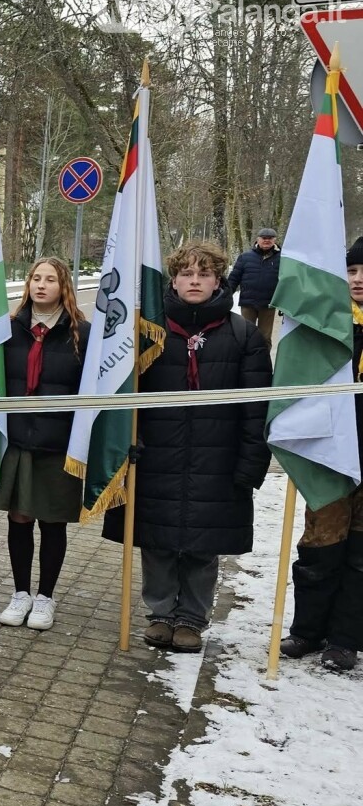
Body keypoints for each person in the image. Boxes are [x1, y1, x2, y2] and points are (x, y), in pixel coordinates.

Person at [104, 241, 271, 653]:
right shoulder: (148, 332)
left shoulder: (243, 335)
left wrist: (250, 464)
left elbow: (257, 409)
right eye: (186, 274)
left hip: (217, 458)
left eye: (204, 274)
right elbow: (125, 397)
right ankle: (160, 612)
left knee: (203, 544)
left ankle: (192, 618)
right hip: (158, 454)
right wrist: (128, 443)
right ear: (173, 280)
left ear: (218, 280)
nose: (194, 281)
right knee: (157, 538)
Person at [0, 257, 91, 631]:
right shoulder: (8, 330)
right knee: (19, 518)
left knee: (52, 521)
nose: (41, 285)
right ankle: (21, 593)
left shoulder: (81, 333)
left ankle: (46, 597)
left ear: (62, 285)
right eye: (36, 278)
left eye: (50, 279)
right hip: (18, 441)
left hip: (58, 444)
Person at [280, 236, 363, 672]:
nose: (358, 279)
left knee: (360, 554)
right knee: (321, 547)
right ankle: (308, 631)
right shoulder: (323, 325)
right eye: (351, 271)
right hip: (329, 456)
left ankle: (346, 639)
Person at [226, 227, 282, 347]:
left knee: (265, 337)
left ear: (275, 240)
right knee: (245, 334)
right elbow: (234, 278)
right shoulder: (245, 257)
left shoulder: (282, 258)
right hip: (248, 303)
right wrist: (225, 296)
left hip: (268, 304)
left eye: (270, 238)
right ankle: (245, 361)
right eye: (264, 238)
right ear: (258, 239)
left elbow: (286, 281)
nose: (266, 240)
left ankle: (263, 363)